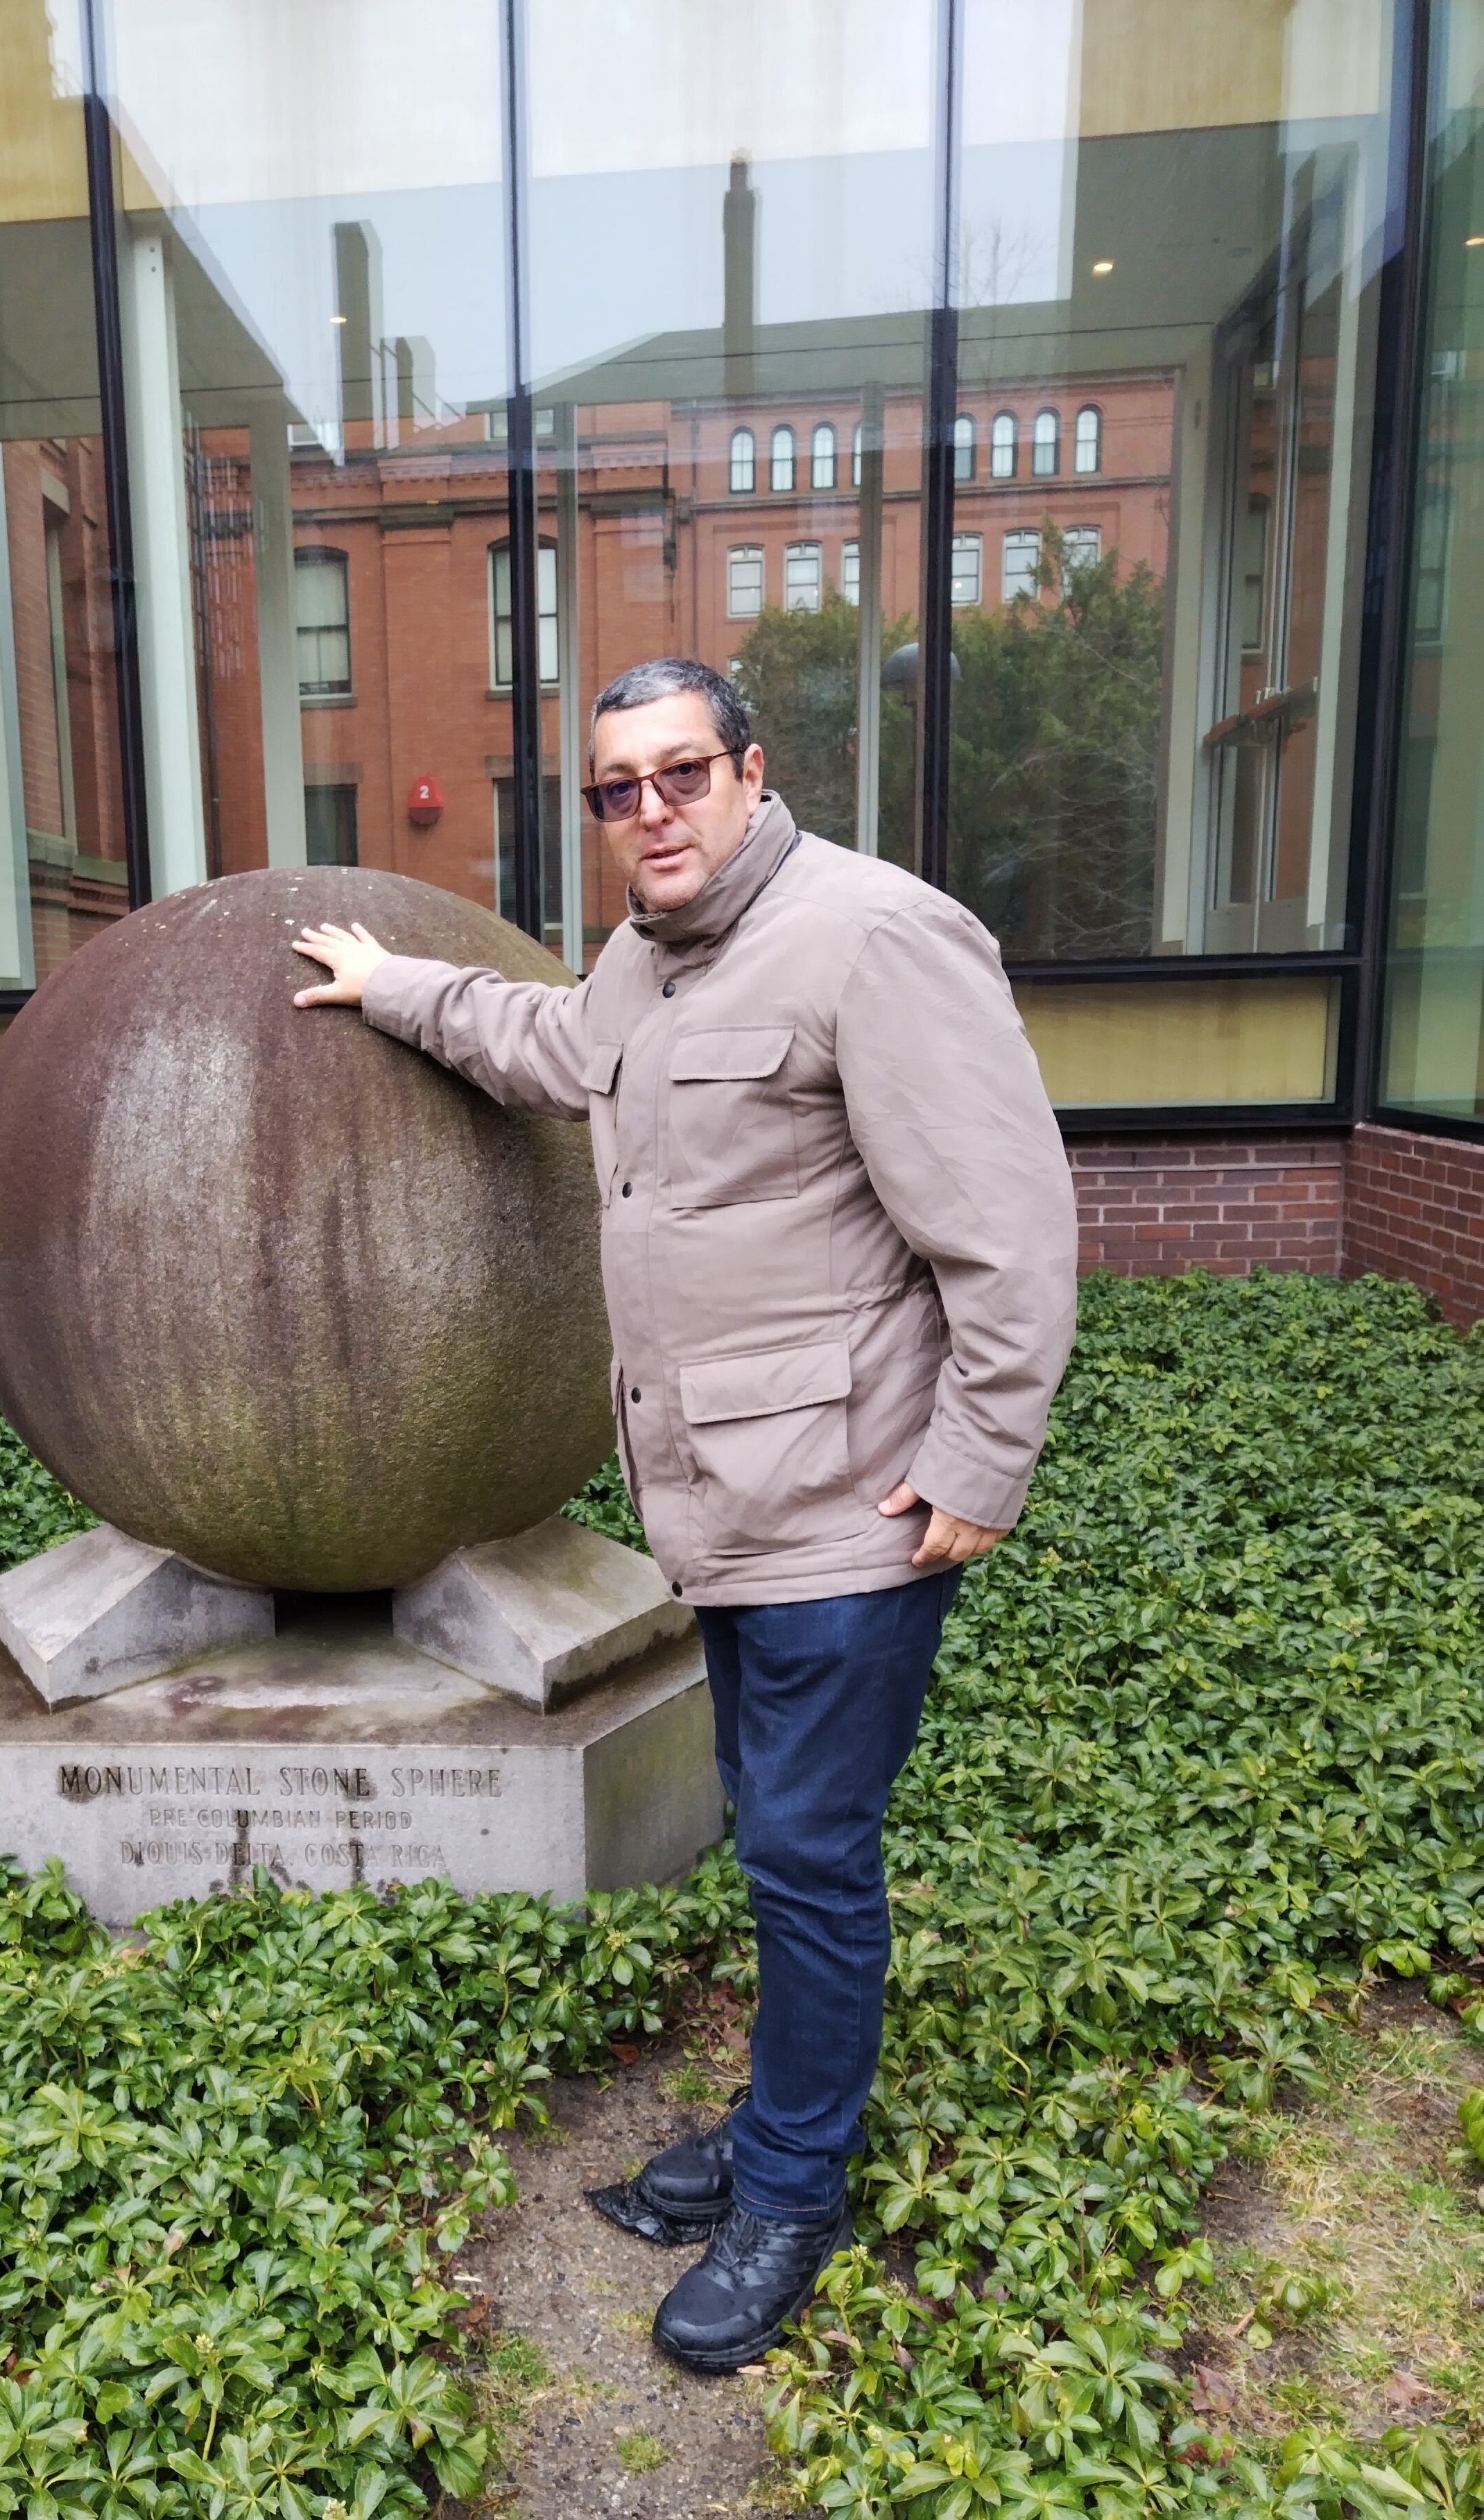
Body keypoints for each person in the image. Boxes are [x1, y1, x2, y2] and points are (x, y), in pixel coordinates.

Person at [292, 655, 1076, 2374]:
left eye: (680, 772)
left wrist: (980, 1458)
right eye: (616, 786)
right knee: (776, 1831)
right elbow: (547, 1044)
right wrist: (393, 984)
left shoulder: (876, 936)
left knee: (807, 1853)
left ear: (750, 769)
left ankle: (791, 2188)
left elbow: (1012, 1229)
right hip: (720, 1501)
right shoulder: (644, 959)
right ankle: (782, 2119)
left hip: (852, 1510)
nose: (649, 808)